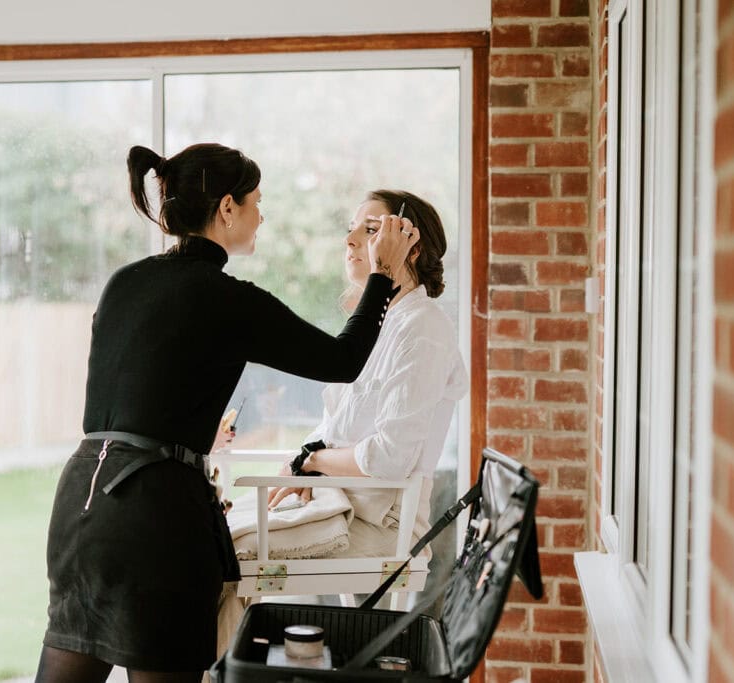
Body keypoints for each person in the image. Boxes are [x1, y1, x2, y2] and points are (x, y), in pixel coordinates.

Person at [35, 144, 420, 683]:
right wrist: (383, 274)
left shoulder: (124, 281)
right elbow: (342, 360)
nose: (262, 215)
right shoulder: (230, 299)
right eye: (256, 202)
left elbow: (121, 398)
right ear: (227, 209)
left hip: (82, 502)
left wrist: (188, 430)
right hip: (156, 515)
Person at [265, 189, 468, 563]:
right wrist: (299, 460)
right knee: (219, 537)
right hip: (340, 502)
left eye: (371, 229)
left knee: (224, 557)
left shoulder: (424, 327)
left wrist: (312, 460)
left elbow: (389, 457)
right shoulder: (378, 325)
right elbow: (334, 424)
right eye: (351, 228)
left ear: (411, 247)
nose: (350, 239)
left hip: (383, 522)